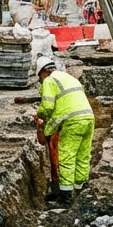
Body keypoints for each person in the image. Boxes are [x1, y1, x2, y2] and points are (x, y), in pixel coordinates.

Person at [34, 56, 95, 205]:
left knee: (67, 157)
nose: (40, 80)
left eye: (39, 77)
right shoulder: (69, 78)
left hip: (72, 121)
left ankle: (66, 198)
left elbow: (48, 106)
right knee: (82, 155)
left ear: (43, 72)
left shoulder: (49, 80)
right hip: (88, 118)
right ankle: (81, 192)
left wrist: (39, 114)